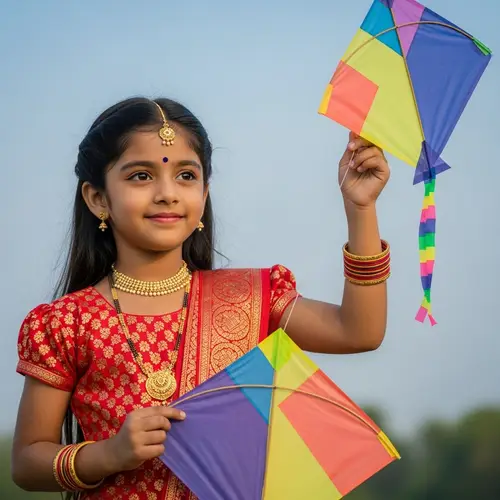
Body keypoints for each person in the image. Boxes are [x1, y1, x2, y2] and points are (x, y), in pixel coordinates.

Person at [11, 97, 391, 499]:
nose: (167, 193)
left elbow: (359, 331)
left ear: (205, 192)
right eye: (141, 176)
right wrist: (109, 454)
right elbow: (26, 461)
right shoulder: (66, 322)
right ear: (98, 198)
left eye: (186, 176)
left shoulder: (251, 298)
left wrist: (360, 207)